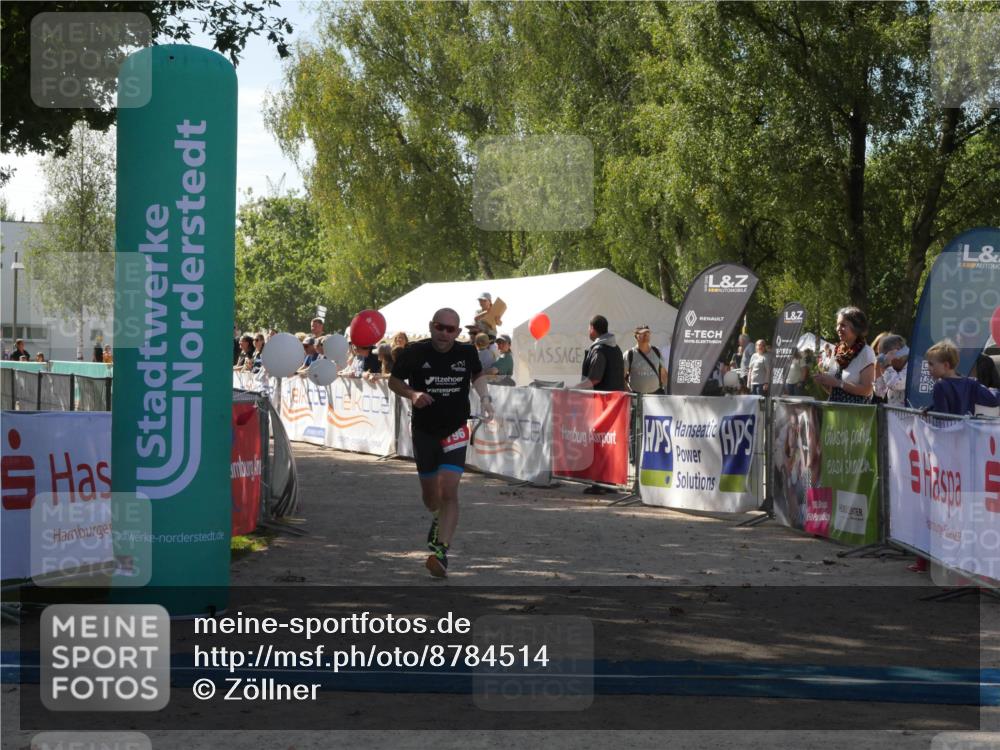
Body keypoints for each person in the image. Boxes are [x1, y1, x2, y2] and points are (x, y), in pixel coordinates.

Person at [388, 308, 494, 578]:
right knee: (430, 496)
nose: (444, 334)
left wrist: (485, 398)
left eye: (450, 329)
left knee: (449, 489)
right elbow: (394, 381)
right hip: (424, 430)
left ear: (458, 332)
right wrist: (412, 394)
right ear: (431, 326)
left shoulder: (467, 353)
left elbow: (478, 376)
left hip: (456, 428)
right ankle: (436, 516)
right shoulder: (414, 352)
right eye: (440, 327)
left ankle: (441, 552)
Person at [812, 307, 875, 404]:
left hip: (855, 414)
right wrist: (824, 382)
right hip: (835, 413)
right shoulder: (837, 351)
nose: (838, 329)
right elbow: (834, 391)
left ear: (856, 328)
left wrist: (837, 383)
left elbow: (867, 390)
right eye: (837, 325)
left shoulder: (865, 352)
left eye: (843, 325)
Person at [927, 339, 1000, 416]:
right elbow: (993, 400)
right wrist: (993, 390)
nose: (928, 368)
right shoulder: (971, 383)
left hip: (949, 427)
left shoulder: (940, 386)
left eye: (931, 364)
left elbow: (941, 417)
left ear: (946, 365)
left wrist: (931, 412)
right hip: (966, 427)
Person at [572, 315, 625, 391]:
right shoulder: (617, 349)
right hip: (616, 399)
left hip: (602, 400)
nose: (588, 331)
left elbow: (595, 379)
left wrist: (575, 388)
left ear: (592, 328)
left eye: (589, 328)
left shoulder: (599, 350)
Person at [624, 325, 667, 395]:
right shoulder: (629, 354)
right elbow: (621, 377)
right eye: (642, 334)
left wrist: (667, 390)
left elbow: (663, 374)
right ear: (636, 336)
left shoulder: (657, 351)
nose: (646, 335)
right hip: (637, 396)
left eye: (647, 333)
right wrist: (630, 393)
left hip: (656, 395)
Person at [872, 334, 908, 406]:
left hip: (909, 415)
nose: (881, 358)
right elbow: (879, 392)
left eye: (883, 355)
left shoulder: (911, 367)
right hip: (894, 414)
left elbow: (895, 384)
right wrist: (877, 368)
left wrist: (887, 366)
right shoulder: (891, 369)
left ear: (897, 351)